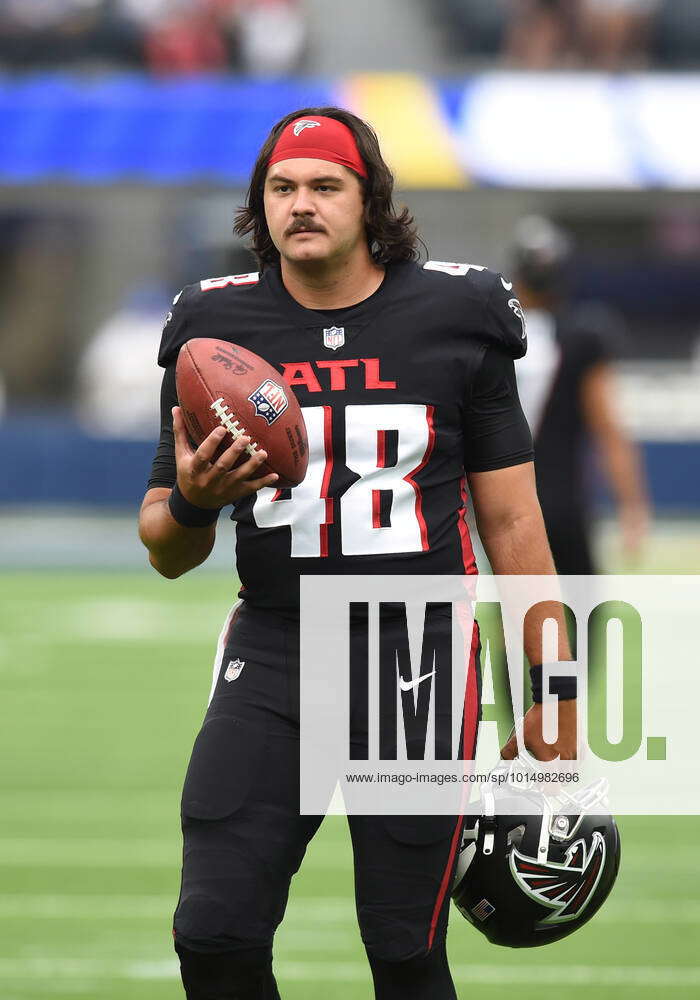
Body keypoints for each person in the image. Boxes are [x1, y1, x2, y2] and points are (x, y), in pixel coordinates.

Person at [139, 108, 577, 1000]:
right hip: (275, 652)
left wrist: (555, 694)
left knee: (403, 947)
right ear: (261, 204)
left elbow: (514, 528)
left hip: (413, 660)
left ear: (370, 197)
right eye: (283, 188)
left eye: (325, 186)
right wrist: (195, 499)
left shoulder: (458, 312)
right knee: (212, 930)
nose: (302, 205)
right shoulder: (215, 330)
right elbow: (164, 545)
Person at [512, 215, 650, 574]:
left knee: (511, 613)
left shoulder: (493, 332)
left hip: (499, 498)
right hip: (561, 500)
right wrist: (632, 506)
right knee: (579, 617)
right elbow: (608, 427)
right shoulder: (583, 334)